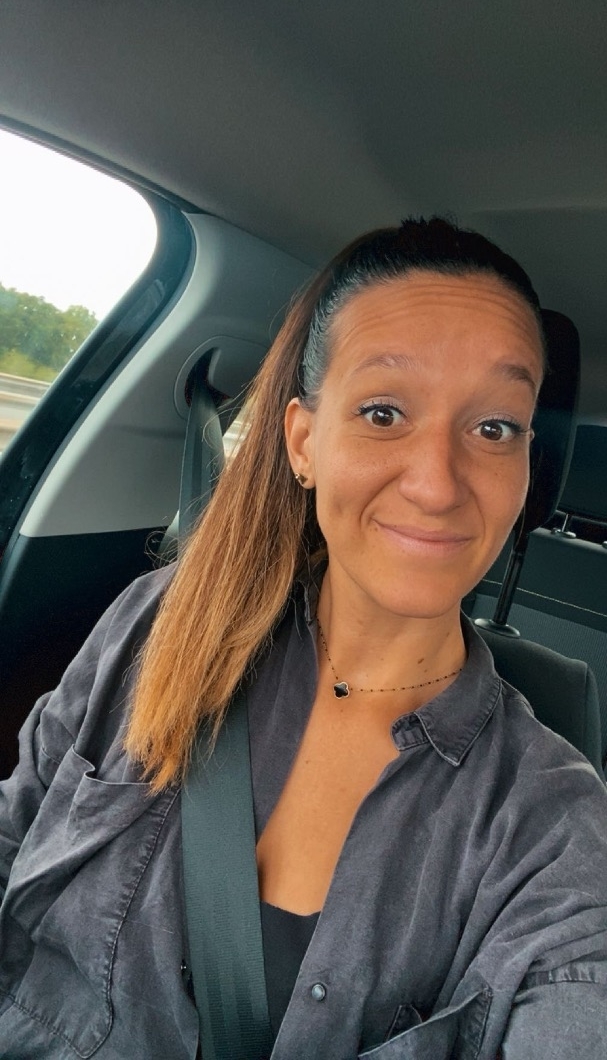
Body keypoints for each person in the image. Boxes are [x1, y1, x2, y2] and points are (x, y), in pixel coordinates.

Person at [0, 218, 606, 1059]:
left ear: (526, 465)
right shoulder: (160, 624)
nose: (436, 484)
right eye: (384, 412)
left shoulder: (551, 825)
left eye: (494, 427)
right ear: (302, 442)